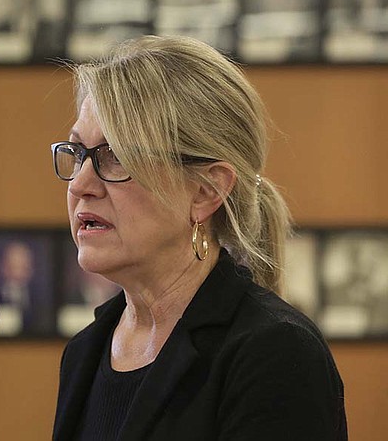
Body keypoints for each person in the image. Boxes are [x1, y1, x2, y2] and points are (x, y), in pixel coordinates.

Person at [51, 35, 346, 440]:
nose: (81, 183)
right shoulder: (85, 350)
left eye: (115, 155)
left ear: (206, 191)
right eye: (78, 152)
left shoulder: (274, 352)